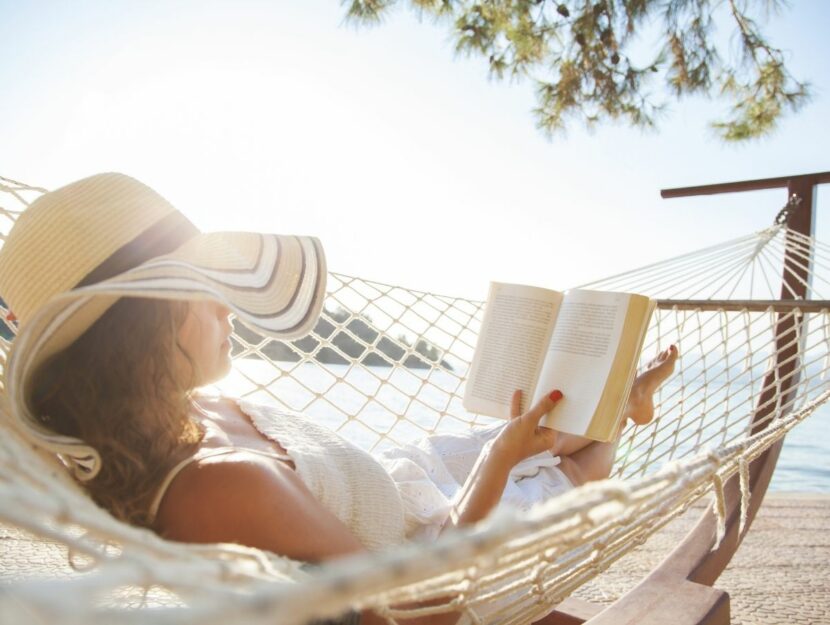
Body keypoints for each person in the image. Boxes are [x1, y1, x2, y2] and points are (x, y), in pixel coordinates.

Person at [0, 173, 678, 625]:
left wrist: (499, 455)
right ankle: (621, 409)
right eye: (202, 287)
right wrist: (498, 464)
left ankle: (621, 402)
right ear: (143, 326)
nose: (228, 304)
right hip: (442, 550)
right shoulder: (218, 485)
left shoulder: (175, 416)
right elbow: (422, 612)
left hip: (407, 479)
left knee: (553, 433)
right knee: (571, 468)